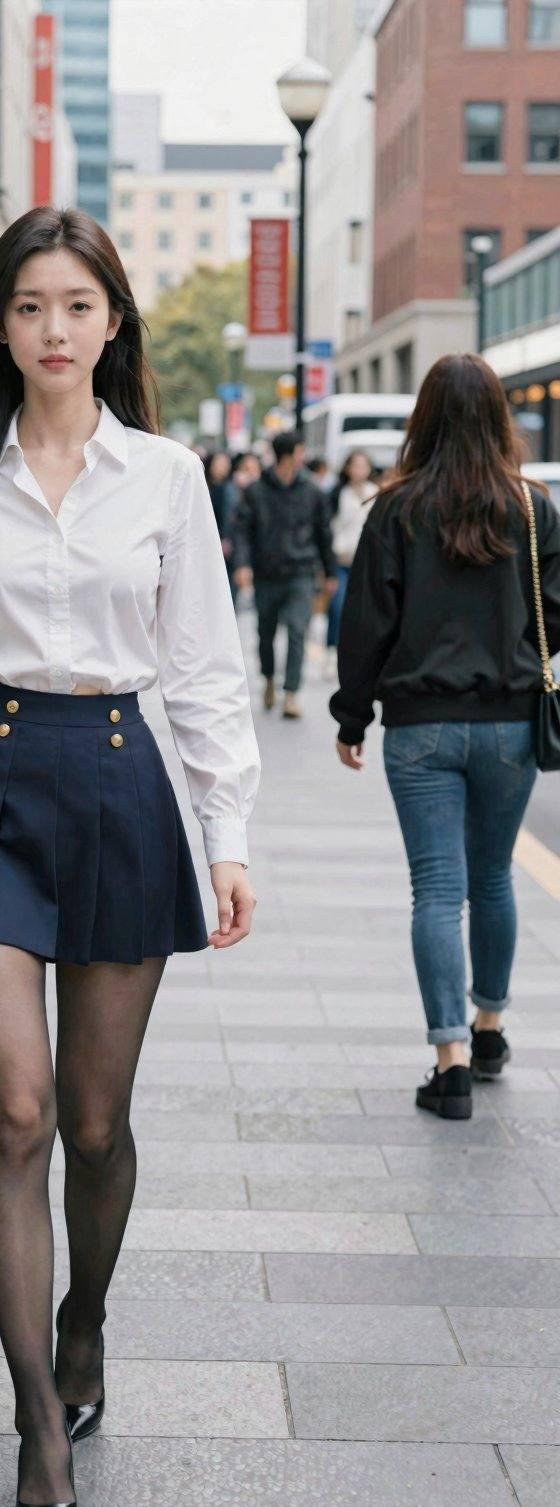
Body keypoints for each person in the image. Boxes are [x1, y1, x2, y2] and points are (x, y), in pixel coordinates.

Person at [0, 206, 260, 1507]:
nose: (52, 331)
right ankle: (38, 1415)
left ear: (112, 322)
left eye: (75, 306)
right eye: (28, 307)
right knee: (17, 1114)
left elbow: (201, 663)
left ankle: (86, 1321)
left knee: (94, 1121)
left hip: (119, 785)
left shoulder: (166, 477)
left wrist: (230, 833)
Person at [331, 354, 560, 1121]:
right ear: (499, 418)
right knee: (493, 879)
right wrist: (522, 651)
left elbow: (365, 623)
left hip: (420, 728)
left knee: (436, 889)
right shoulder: (532, 509)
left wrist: (351, 715)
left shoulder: (395, 510)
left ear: (422, 419)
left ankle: (451, 1060)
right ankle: (491, 1027)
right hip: (510, 726)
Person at [233, 430, 338, 719]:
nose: (304, 456)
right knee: (265, 633)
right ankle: (268, 679)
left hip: (301, 573)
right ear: (290, 454)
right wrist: (242, 565)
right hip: (267, 573)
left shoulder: (313, 491)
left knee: (297, 631)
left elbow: (323, 534)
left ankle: (291, 693)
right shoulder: (256, 490)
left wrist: (329, 571)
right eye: (301, 451)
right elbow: (242, 531)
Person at [325, 450, 378, 673]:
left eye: (363, 465)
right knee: (338, 607)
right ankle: (331, 652)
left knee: (363, 609)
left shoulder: (375, 492)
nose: (359, 470)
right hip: (341, 560)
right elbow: (328, 527)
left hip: (365, 561)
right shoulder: (338, 493)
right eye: (355, 465)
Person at [204, 449, 237, 605]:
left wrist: (226, 538)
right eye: (219, 463)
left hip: (224, 543)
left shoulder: (230, 488)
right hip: (206, 541)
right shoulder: (204, 485)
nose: (222, 467)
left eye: (225, 463)